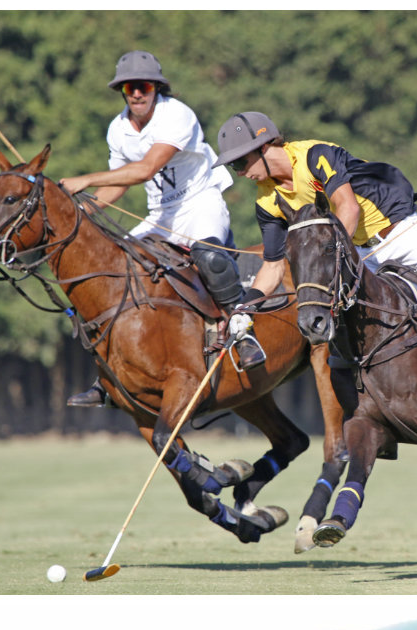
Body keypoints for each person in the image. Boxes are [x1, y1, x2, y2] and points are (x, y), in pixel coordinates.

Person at [58, 50, 263, 407]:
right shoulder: (118, 129)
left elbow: (145, 169)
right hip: (160, 214)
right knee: (114, 270)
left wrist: (84, 180)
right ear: (121, 92)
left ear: (156, 88)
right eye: (129, 88)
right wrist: (83, 209)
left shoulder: (176, 114)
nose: (137, 94)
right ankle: (107, 374)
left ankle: (243, 333)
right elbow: (119, 185)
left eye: (144, 86)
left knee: (211, 258)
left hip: (199, 202)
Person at [212, 112, 417, 326]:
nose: (239, 172)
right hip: (362, 254)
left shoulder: (315, 155)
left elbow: (348, 207)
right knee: (343, 329)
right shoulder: (267, 201)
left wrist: (335, 255)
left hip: (403, 234)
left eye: (240, 161)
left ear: (263, 148)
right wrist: (246, 306)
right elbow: (274, 263)